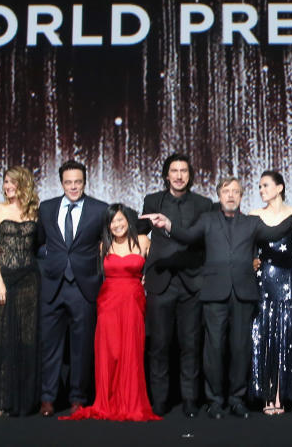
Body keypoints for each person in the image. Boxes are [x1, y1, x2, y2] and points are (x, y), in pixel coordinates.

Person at [147, 177, 292, 419]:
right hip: (214, 294)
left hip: (243, 294)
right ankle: (215, 401)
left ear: (241, 196)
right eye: (226, 191)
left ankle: (237, 399)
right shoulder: (207, 220)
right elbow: (186, 236)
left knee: (240, 349)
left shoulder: (252, 222)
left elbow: (273, 232)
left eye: (236, 192)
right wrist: (168, 224)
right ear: (219, 195)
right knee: (214, 350)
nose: (231, 195)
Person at [60, 204, 161, 422]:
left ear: (128, 220)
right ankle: (107, 401)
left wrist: (147, 279)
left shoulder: (143, 241)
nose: (117, 225)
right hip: (108, 303)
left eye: (120, 220)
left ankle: (130, 402)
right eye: (112, 221)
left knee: (131, 352)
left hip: (133, 302)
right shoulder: (102, 246)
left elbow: (157, 267)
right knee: (110, 352)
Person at [141, 153, 213, 417]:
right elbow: (137, 232)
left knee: (190, 345)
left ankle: (190, 401)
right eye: (174, 170)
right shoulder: (153, 200)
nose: (179, 175)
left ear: (190, 175)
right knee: (159, 345)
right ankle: (158, 401)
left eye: (184, 170)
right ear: (167, 174)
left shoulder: (204, 204)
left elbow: (206, 239)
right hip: (160, 281)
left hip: (192, 282)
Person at [37, 160, 109, 416]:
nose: (73, 186)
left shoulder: (100, 209)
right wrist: (50, 259)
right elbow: (39, 242)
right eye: (68, 182)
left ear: (85, 181)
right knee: (49, 347)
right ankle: (48, 398)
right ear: (61, 183)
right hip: (52, 286)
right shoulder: (46, 208)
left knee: (81, 347)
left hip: (84, 287)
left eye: (78, 181)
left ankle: (78, 397)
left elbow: (108, 244)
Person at [0, 166, 41, 417]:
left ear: (24, 184)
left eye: (13, 182)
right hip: (5, 280)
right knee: (4, 338)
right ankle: (4, 402)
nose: (8, 186)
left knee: (28, 339)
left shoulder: (35, 212)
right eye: (6, 182)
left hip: (30, 280)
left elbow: (39, 245)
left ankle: (26, 402)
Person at [249, 171, 292, 414]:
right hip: (263, 280)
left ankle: (281, 395)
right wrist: (252, 260)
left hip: (286, 279)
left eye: (266, 185)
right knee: (264, 333)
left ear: (279, 187)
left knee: (284, 335)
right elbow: (249, 247)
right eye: (259, 186)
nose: (261, 190)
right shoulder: (254, 215)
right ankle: (266, 396)